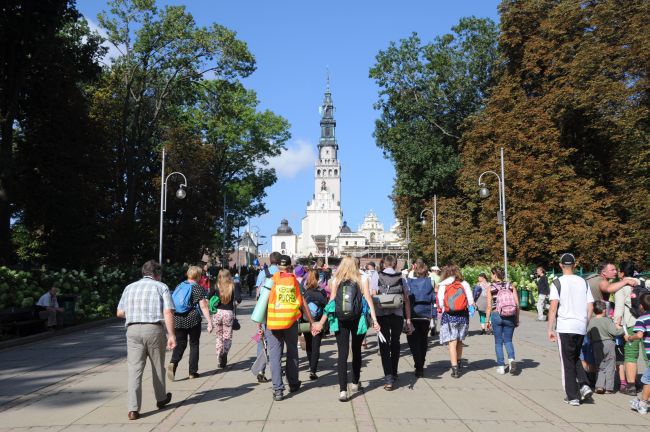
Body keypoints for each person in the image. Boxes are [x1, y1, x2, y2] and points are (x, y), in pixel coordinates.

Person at [314, 256, 380, 401]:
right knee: (356, 351)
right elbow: (369, 301)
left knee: (342, 354)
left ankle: (343, 390)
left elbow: (331, 302)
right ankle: (355, 382)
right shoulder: (363, 279)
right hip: (358, 320)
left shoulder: (336, 280)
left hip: (340, 320)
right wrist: (375, 321)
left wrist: (321, 322)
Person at [116, 260, 175, 421]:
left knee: (135, 370)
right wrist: (171, 335)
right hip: (154, 329)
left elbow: (120, 312)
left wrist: (136, 314)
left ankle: (133, 409)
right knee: (157, 367)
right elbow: (168, 312)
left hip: (133, 330)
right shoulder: (161, 287)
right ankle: (161, 399)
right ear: (157, 274)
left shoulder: (129, 288)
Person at [257, 255, 314, 401]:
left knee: (275, 356)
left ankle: (278, 390)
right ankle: (293, 383)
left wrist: (259, 321)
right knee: (292, 353)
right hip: (290, 322)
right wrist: (312, 321)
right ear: (289, 267)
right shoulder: (294, 281)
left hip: (273, 323)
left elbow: (261, 300)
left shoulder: (270, 280)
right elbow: (303, 303)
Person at [547, 253, 594, 406]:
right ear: (574, 265)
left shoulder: (557, 282)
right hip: (580, 325)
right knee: (575, 357)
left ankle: (572, 396)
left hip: (565, 326)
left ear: (560, 265)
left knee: (566, 361)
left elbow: (553, 307)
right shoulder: (583, 282)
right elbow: (590, 306)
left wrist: (550, 328)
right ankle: (584, 384)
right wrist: (585, 323)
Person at [372, 254, 413, 390]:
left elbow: (372, 295)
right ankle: (394, 373)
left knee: (384, 345)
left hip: (381, 315)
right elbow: (406, 299)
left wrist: (372, 318)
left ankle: (388, 378)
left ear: (384, 264)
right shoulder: (402, 277)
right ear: (395, 264)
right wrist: (408, 320)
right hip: (397, 314)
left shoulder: (376, 276)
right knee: (395, 343)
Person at [167, 266, 212, 381]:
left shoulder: (180, 285)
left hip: (177, 319)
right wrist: (209, 321)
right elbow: (203, 306)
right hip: (193, 319)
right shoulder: (198, 288)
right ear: (198, 276)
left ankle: (173, 363)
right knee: (194, 344)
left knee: (181, 344)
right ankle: (192, 372)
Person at [437, 264, 474, 378]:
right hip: (463, 316)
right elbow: (471, 301)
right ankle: (458, 362)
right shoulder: (464, 284)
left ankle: (455, 369)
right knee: (460, 340)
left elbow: (441, 302)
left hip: (449, 316)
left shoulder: (443, 285)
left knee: (452, 342)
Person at [614, 262, 643, 396]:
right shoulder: (643, 283)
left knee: (631, 355)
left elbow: (619, 310)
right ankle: (644, 383)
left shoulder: (622, 287)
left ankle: (631, 386)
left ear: (622, 273)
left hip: (632, 324)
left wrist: (616, 324)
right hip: (647, 322)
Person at [253, 252, 281, 383]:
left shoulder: (263, 272)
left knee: (262, 338)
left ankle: (260, 369)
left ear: (270, 260)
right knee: (279, 340)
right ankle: (277, 367)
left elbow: (258, 293)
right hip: (278, 310)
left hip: (264, 309)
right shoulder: (281, 273)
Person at [486, 267, 519, 375]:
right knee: (508, 340)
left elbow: (489, 306)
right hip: (510, 315)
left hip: (497, 315)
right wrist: (517, 318)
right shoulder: (510, 285)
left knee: (498, 342)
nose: (491, 276)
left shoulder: (490, 287)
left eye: (492, 274)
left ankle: (501, 366)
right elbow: (517, 304)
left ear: (495, 275)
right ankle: (511, 360)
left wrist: (487, 321)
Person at [587, 300, 624, 394]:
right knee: (610, 366)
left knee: (600, 366)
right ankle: (609, 388)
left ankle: (599, 386)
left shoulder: (591, 321)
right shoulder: (608, 320)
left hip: (596, 345)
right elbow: (615, 332)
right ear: (604, 310)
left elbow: (588, 334)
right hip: (608, 344)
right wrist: (621, 329)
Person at [407, 259, 435, 377]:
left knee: (413, 342)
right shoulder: (430, 282)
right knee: (423, 340)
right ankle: (421, 364)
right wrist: (433, 315)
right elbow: (433, 299)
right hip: (425, 315)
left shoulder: (409, 282)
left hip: (413, 314)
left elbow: (406, 298)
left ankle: (417, 363)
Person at [624, 292, 650, 415]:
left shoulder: (642, 319)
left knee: (647, 380)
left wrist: (629, 338)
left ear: (641, 306)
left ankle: (643, 404)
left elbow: (639, 335)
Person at [301, 268, 328, 380]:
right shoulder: (321, 292)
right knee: (316, 345)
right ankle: (313, 370)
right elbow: (326, 306)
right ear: (318, 278)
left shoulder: (305, 292)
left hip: (306, 321)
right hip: (317, 321)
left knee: (308, 344)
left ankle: (310, 363)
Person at [211, 269, 242, 368]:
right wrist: (235, 305)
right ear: (229, 276)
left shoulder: (216, 286)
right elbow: (238, 299)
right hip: (228, 313)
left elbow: (208, 297)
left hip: (217, 313)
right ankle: (225, 353)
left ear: (219, 276)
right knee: (227, 337)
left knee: (219, 337)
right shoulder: (233, 286)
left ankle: (219, 357)